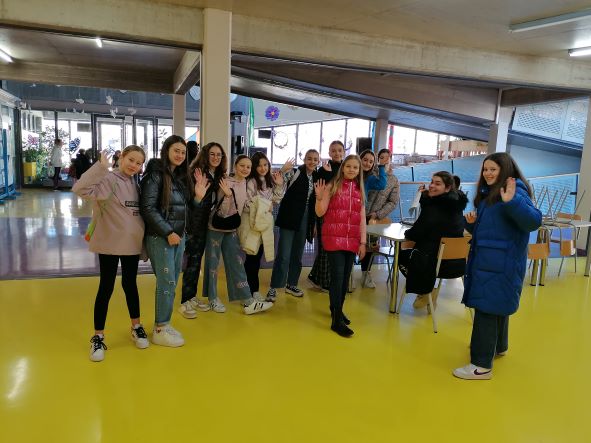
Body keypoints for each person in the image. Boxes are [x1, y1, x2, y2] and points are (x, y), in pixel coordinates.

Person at [453, 153, 541, 380]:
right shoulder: (491, 194)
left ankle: (481, 366)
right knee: (496, 306)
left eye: (493, 169)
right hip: (491, 261)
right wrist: (471, 225)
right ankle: (499, 346)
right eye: (485, 169)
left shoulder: (515, 192)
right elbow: (494, 230)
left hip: (499, 263)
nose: (488, 173)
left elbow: (533, 221)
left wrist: (512, 201)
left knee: (486, 309)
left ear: (506, 170)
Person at [72, 146, 148, 362]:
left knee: (130, 284)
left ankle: (136, 326)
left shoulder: (136, 183)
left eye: (139, 163)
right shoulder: (107, 178)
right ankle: (98, 336)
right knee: (106, 286)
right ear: (121, 157)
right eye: (131, 160)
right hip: (109, 243)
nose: (134, 165)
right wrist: (100, 168)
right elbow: (79, 189)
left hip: (131, 244)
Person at [195, 152, 273, 315]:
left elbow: (244, 207)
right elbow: (222, 210)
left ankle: (247, 300)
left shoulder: (245, 182)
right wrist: (228, 196)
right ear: (235, 166)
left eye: (248, 167)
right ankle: (213, 299)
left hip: (231, 229)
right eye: (242, 166)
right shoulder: (226, 181)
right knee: (212, 265)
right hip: (216, 228)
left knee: (236, 263)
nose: (245, 169)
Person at [140, 135, 194, 347]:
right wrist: (168, 231)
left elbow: (183, 208)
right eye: (176, 151)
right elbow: (148, 208)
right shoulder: (156, 175)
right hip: (161, 237)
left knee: (172, 282)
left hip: (177, 237)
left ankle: (164, 323)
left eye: (183, 152)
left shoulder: (179, 176)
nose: (180, 155)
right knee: (166, 282)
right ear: (166, 151)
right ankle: (160, 329)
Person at [398, 171, 468, 308]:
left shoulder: (434, 208)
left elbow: (415, 233)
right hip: (458, 265)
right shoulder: (457, 207)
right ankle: (427, 291)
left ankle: (425, 291)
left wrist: (407, 232)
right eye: (431, 182)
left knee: (401, 256)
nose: (431, 186)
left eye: (437, 183)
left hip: (434, 265)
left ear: (447, 188)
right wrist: (426, 201)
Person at [314, 154, 366, 337]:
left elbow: (362, 219)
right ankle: (336, 320)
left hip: (352, 240)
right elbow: (320, 213)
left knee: (344, 279)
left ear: (359, 171)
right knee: (337, 278)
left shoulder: (359, 190)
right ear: (343, 168)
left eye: (355, 167)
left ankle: (337, 309)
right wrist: (319, 198)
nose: (351, 169)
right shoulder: (333, 186)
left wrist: (363, 242)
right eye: (348, 166)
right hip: (334, 238)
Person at [178, 142, 225, 319]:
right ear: (205, 155)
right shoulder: (197, 173)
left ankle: (191, 296)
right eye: (212, 154)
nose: (216, 157)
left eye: (219, 155)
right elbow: (189, 201)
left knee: (196, 261)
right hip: (193, 223)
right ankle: (185, 300)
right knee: (192, 261)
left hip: (205, 223)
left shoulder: (217, 174)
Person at [266, 149, 320, 301]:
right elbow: (276, 180)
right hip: (289, 216)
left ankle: (292, 284)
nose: (312, 161)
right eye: (309, 158)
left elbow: (316, 200)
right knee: (283, 254)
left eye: (315, 159)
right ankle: (274, 287)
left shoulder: (317, 177)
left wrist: (314, 223)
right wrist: (283, 170)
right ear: (304, 159)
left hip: (306, 217)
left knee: (297, 254)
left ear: (318, 161)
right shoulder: (295, 173)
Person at [240, 152, 286, 300]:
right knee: (251, 258)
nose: (263, 168)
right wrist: (266, 205)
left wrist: (279, 184)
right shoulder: (251, 182)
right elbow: (248, 204)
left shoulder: (270, 180)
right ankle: (250, 291)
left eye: (265, 165)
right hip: (252, 226)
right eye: (259, 165)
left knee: (257, 258)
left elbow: (276, 199)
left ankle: (253, 291)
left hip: (265, 226)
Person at [308, 140, 345, 291]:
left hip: (340, 214)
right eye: (333, 150)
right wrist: (326, 173)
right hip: (324, 213)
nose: (337, 153)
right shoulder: (323, 169)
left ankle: (316, 277)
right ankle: (324, 281)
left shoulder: (346, 168)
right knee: (325, 248)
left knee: (335, 248)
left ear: (344, 152)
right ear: (329, 153)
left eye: (339, 150)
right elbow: (319, 192)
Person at [361, 148, 400, 288]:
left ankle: (366, 273)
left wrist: (378, 214)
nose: (384, 159)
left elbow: (393, 202)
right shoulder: (370, 173)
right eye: (381, 157)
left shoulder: (394, 180)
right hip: (360, 214)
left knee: (370, 246)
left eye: (387, 157)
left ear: (390, 159)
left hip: (374, 219)